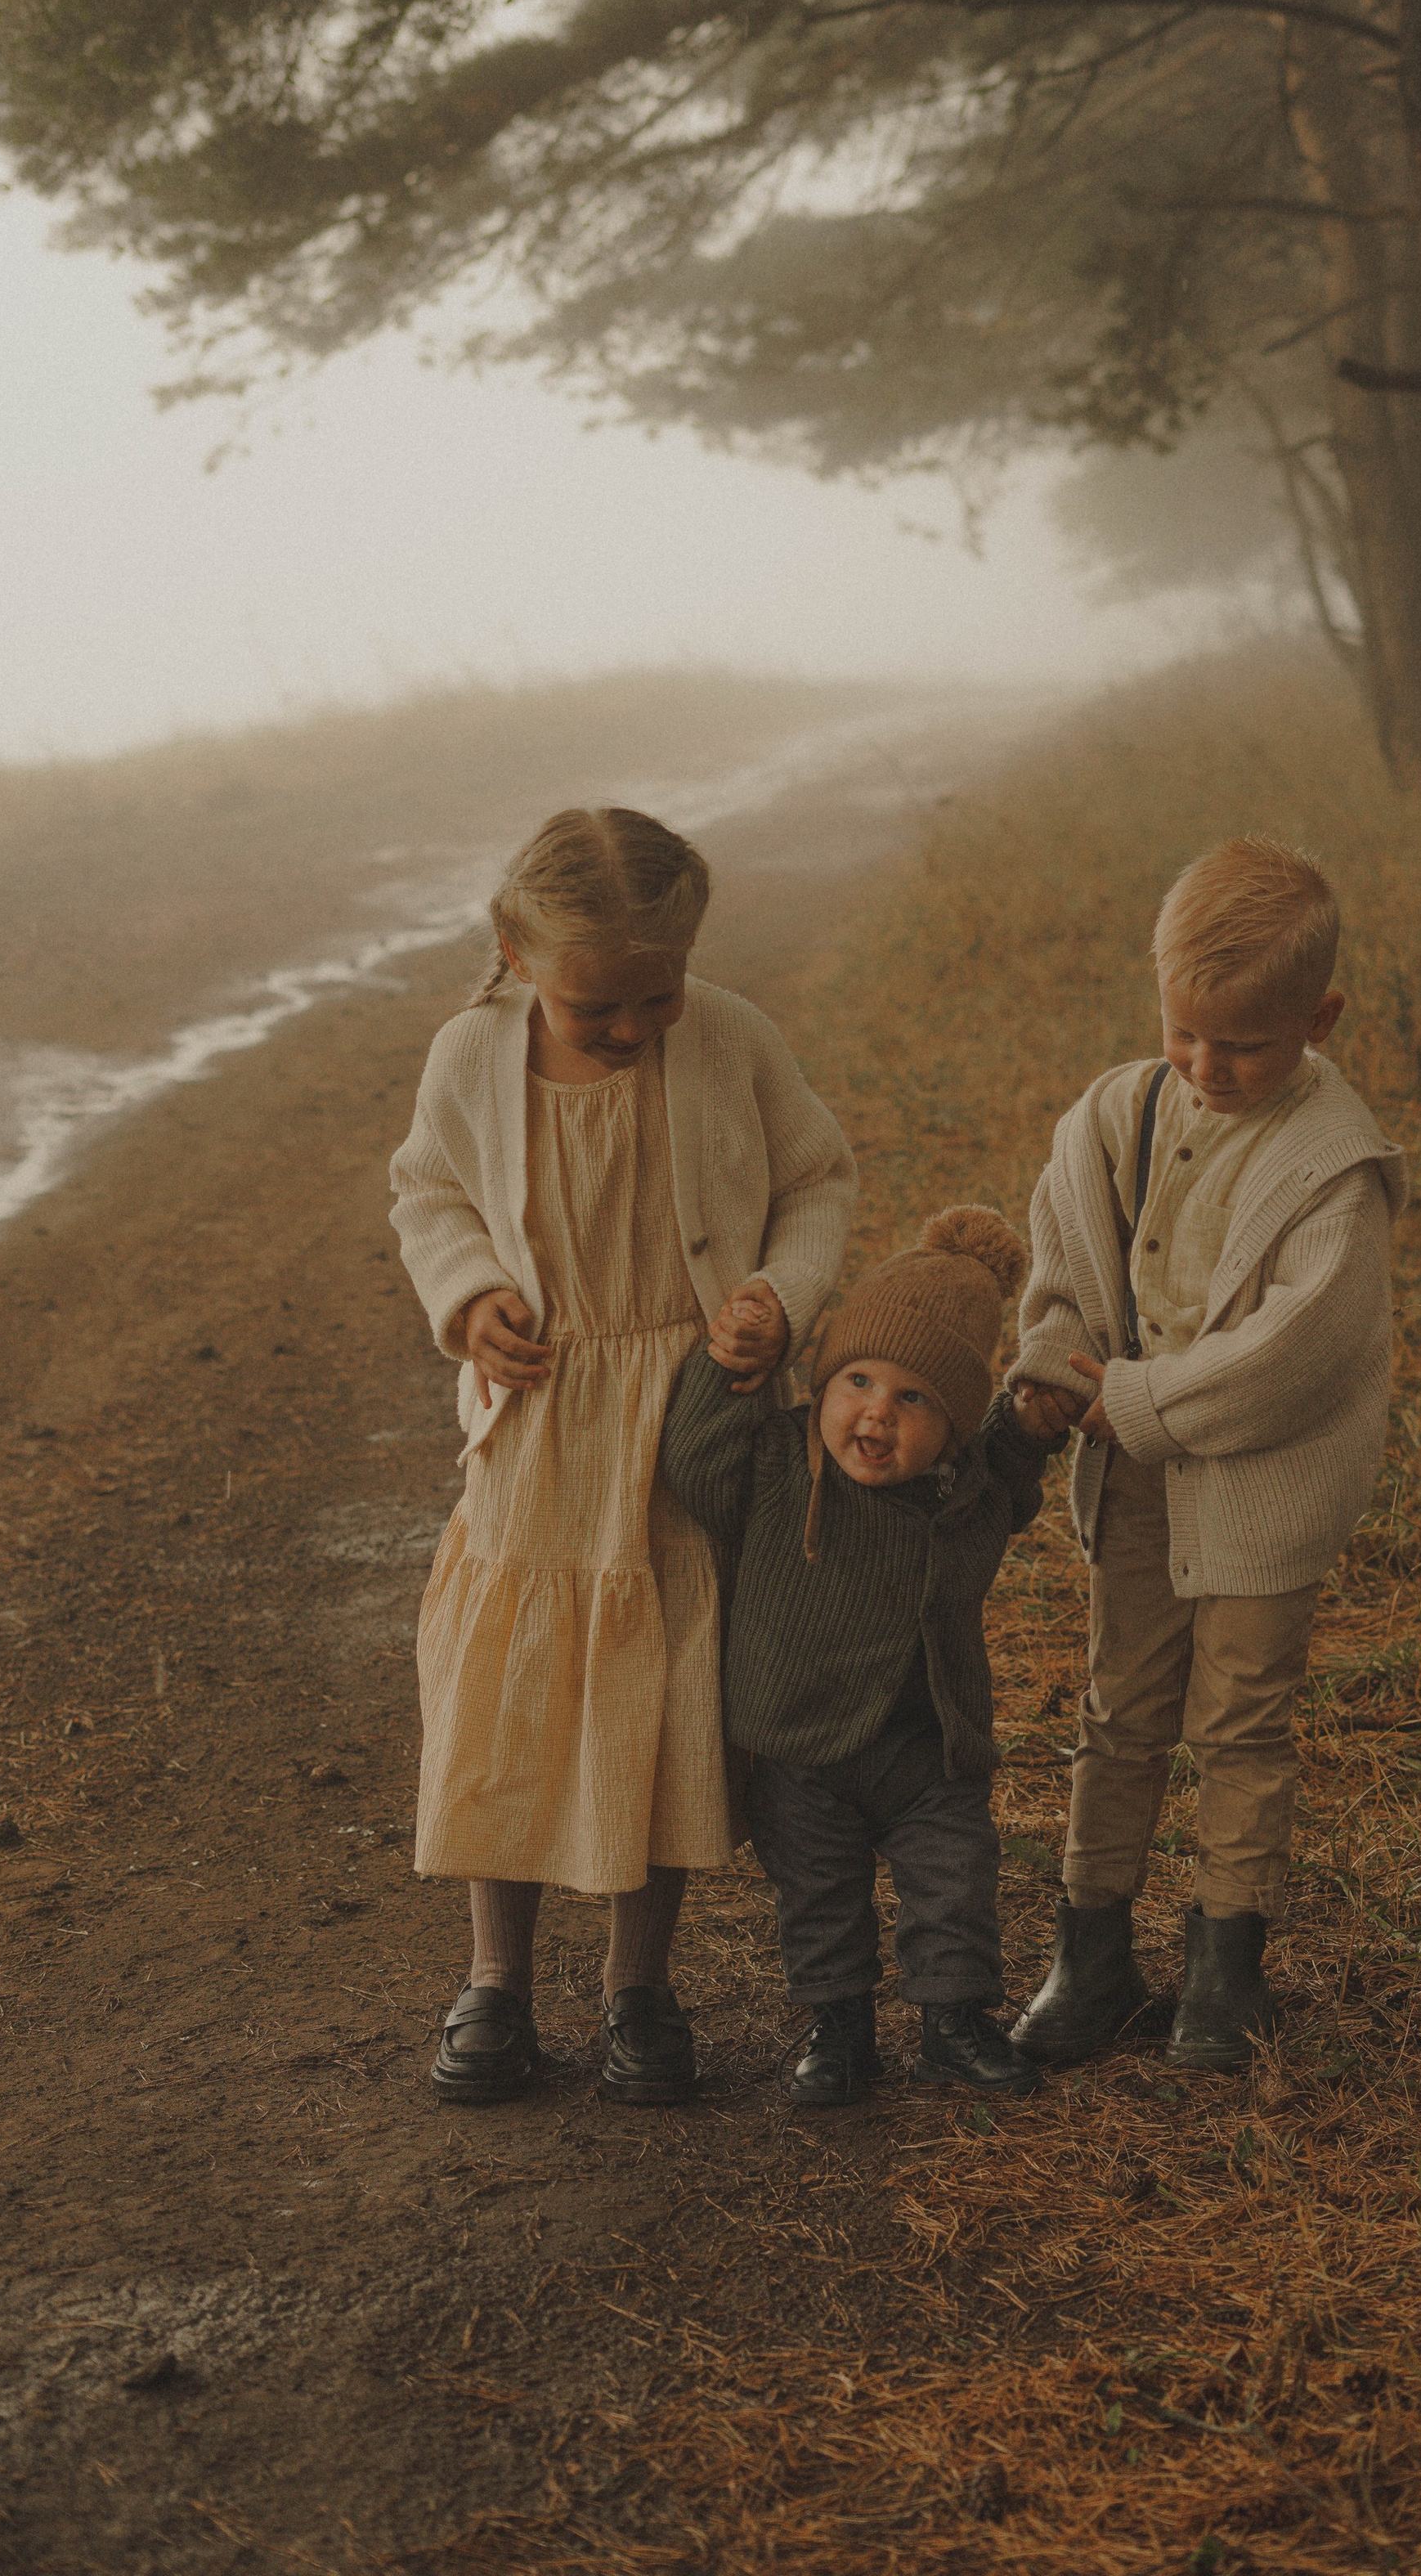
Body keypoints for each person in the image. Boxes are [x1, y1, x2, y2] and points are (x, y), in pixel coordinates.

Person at [389, 805, 854, 2107]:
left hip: (690, 1420)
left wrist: (777, 1295)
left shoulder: (732, 1037)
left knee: (665, 1704)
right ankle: (496, 1983)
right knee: (513, 1695)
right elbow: (427, 1192)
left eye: (657, 997)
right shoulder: (468, 1057)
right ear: (515, 953)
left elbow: (818, 1179)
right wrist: (468, 1293)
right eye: (600, 1010)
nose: (634, 1029)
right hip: (540, 1421)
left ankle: (638, 1991)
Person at [1006, 836, 1406, 2075]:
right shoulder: (1117, 1114)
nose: (1206, 1065)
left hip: (1257, 1500)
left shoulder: (1333, 1168)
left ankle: (1225, 1973)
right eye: (1186, 1032)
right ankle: (1093, 1951)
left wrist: (1131, 1396)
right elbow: (1068, 1267)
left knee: (1239, 1718)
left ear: (1320, 1016)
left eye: (1243, 1043)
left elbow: (1296, 1354)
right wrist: (1052, 1363)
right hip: (1131, 1485)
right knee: (1119, 1708)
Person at [659, 1206, 1077, 2107]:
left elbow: (1008, 1467)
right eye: (856, 1380)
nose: (876, 1414)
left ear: (955, 1425)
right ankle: (836, 2025)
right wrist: (725, 1371)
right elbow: (694, 1464)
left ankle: (954, 2023)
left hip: (929, 1744)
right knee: (816, 1894)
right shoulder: (780, 1463)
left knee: (953, 1882)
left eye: (914, 1398)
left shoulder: (968, 1489)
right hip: (801, 1746)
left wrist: (1031, 1429)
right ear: (823, 1382)